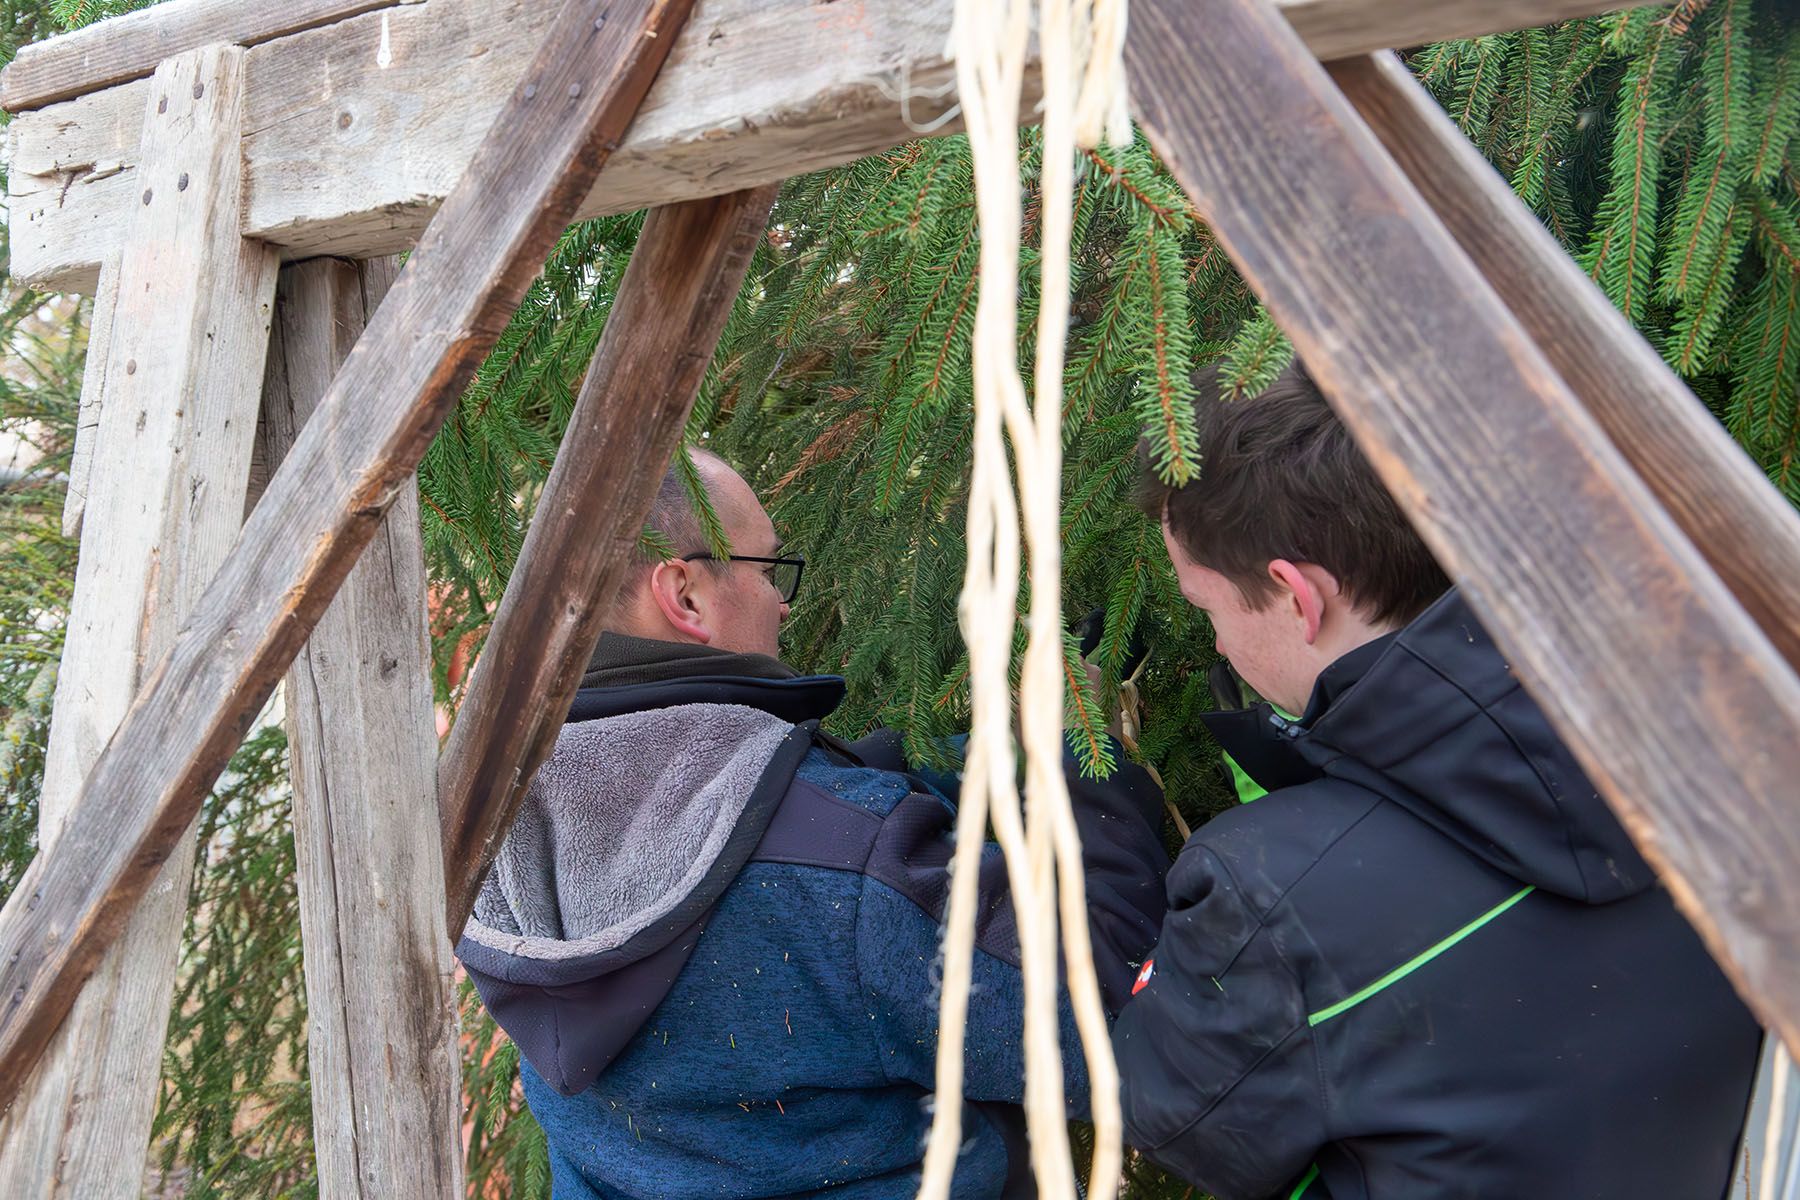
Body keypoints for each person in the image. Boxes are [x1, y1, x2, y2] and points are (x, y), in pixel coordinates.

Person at [1114, 362, 1761, 1199]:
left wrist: (1100, 825)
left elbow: (1165, 1115)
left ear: (1296, 596)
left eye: (1208, 607)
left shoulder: (1267, 900)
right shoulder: (1703, 701)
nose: (1217, 648)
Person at [457, 448, 1170, 1198]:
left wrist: (961, 751)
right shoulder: (851, 881)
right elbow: (1115, 1023)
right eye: (769, 570)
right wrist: (1083, 754)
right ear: (685, 596)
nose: (784, 602)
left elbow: (738, 815)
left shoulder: (494, 847)